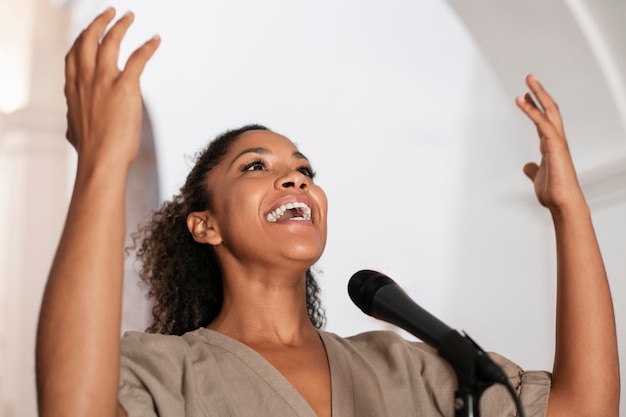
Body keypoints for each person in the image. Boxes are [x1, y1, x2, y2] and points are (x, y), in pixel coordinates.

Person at [36, 7, 619, 417]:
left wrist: (570, 210)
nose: (294, 177)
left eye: (304, 170)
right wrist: (102, 162)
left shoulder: (404, 366)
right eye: (254, 167)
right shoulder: (166, 369)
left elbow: (584, 407)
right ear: (204, 224)